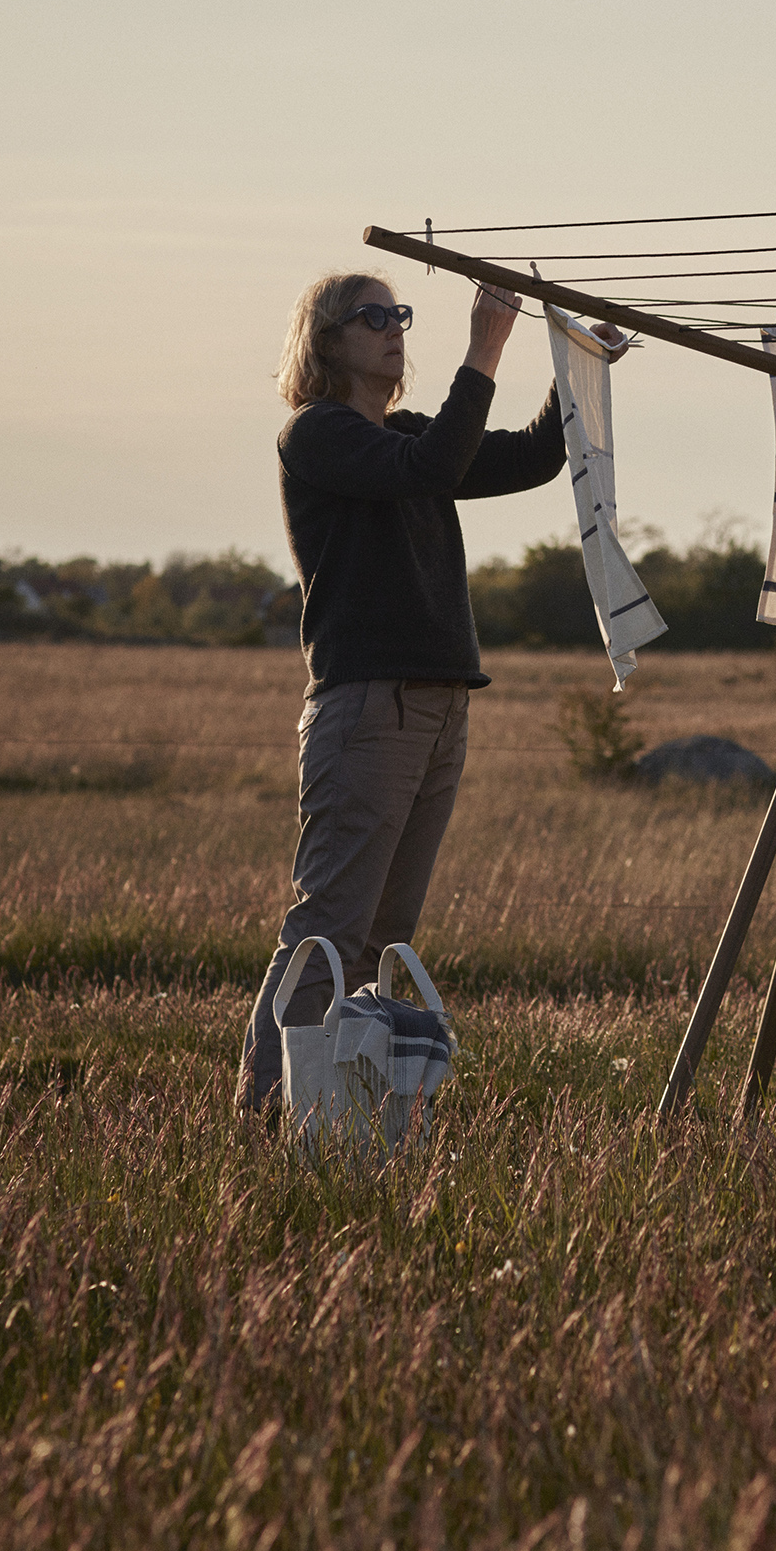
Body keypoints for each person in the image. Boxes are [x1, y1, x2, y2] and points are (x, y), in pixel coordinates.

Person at [238, 267, 578, 1112]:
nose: (394, 328)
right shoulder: (317, 435)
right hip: (369, 708)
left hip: (437, 705)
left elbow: (532, 456)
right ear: (326, 341)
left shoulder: (409, 437)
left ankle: (343, 1116)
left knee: (385, 937)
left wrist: (579, 368)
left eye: (399, 315)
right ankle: (263, 1111)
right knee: (328, 930)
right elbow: (429, 466)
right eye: (371, 316)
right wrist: (486, 348)